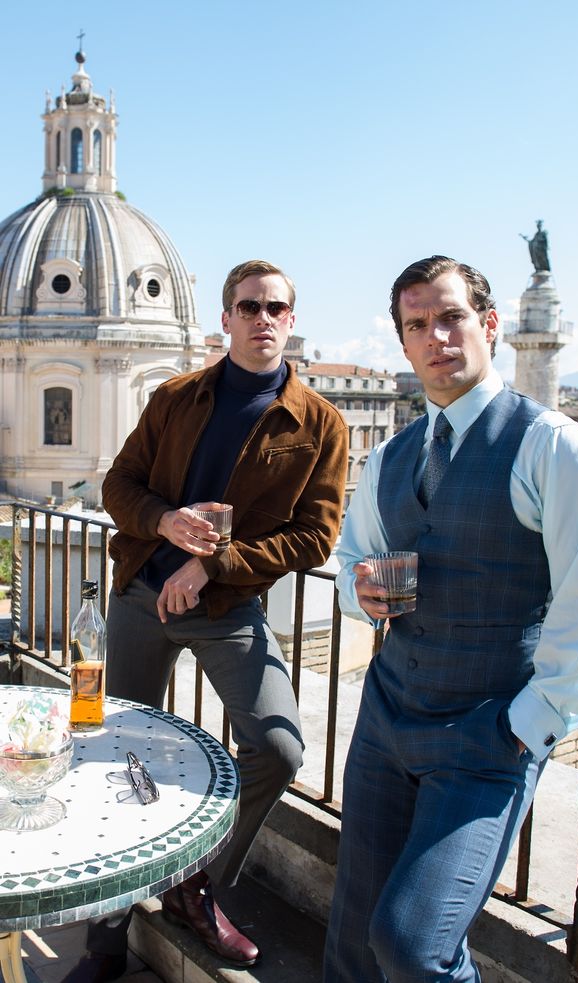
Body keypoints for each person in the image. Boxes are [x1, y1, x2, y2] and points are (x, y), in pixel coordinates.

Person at [323, 255, 578, 982]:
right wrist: (357, 590)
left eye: (452, 316)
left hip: (486, 737)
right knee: (350, 938)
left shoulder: (558, 448)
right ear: (403, 344)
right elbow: (352, 557)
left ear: (490, 325)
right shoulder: (394, 456)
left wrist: (527, 723)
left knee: (412, 943)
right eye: (418, 325)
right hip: (386, 718)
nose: (437, 337)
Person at [63, 259, 348, 983]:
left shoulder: (320, 423)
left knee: (277, 747)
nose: (262, 318)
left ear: (291, 318)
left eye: (275, 307)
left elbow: (316, 537)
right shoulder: (175, 397)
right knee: (108, 755)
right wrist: (166, 522)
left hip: (226, 606)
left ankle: (195, 882)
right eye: (248, 306)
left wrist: (213, 565)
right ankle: (105, 941)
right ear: (224, 318)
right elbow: (117, 485)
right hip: (138, 598)